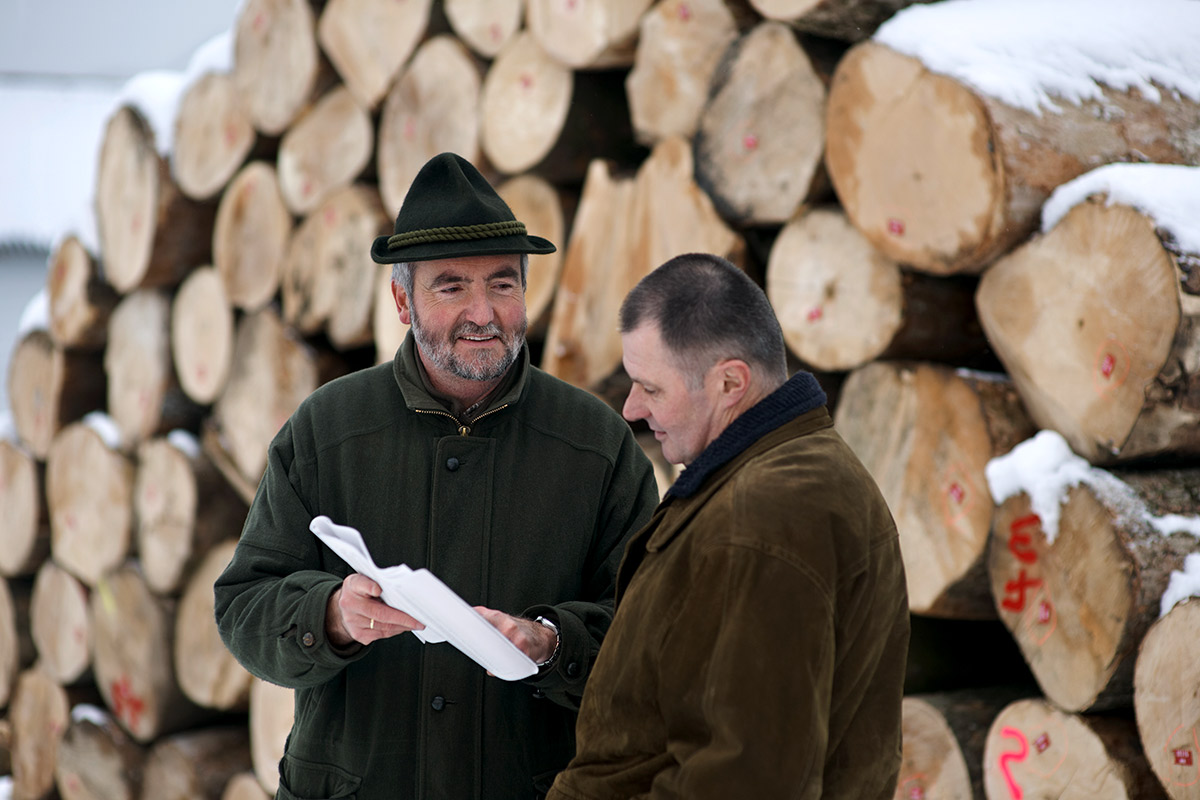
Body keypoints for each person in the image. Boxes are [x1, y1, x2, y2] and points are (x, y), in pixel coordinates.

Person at [214, 152, 660, 800]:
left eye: (503, 284)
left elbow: (651, 631)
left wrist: (551, 643)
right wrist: (331, 615)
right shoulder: (327, 429)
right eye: (452, 287)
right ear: (402, 299)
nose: (483, 312)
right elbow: (243, 605)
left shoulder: (595, 444)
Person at [546, 253, 911, 800]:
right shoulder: (774, 476)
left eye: (651, 387)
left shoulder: (766, 514)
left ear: (729, 383)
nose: (630, 408)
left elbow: (746, 778)